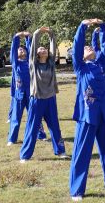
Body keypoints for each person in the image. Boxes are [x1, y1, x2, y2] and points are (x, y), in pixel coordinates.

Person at [69, 19, 105, 200]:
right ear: (82, 56)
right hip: (87, 115)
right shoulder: (81, 68)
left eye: (90, 47)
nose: (89, 48)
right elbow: (77, 46)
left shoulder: (102, 64)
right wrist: (83, 26)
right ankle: (77, 190)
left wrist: (103, 26)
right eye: (86, 49)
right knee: (82, 153)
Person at [19, 26, 67, 162]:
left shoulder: (51, 63)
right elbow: (33, 46)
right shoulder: (33, 64)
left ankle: (61, 151)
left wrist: (50, 33)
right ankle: (25, 155)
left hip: (50, 99)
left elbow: (53, 45)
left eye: (44, 49)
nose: (43, 50)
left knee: (54, 126)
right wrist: (37, 33)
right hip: (37, 99)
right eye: (40, 49)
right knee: (32, 127)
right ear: (37, 54)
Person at [7, 31, 46, 145]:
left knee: (35, 115)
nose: (21, 50)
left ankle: (41, 135)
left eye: (23, 49)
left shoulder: (30, 62)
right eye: (19, 49)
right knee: (16, 117)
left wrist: (28, 38)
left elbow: (31, 50)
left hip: (31, 93)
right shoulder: (16, 63)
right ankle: (12, 139)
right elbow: (13, 50)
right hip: (19, 94)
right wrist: (16, 37)